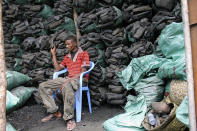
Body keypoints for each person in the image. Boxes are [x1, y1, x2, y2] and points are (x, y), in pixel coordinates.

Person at [39, 35, 90, 130]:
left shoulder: (84, 54)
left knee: (67, 86)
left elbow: (83, 72)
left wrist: (67, 81)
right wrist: (53, 54)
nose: (66, 46)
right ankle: (54, 111)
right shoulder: (67, 56)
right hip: (68, 79)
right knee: (43, 86)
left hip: (79, 79)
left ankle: (69, 118)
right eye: (66, 44)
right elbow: (58, 69)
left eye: (68, 44)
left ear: (75, 43)